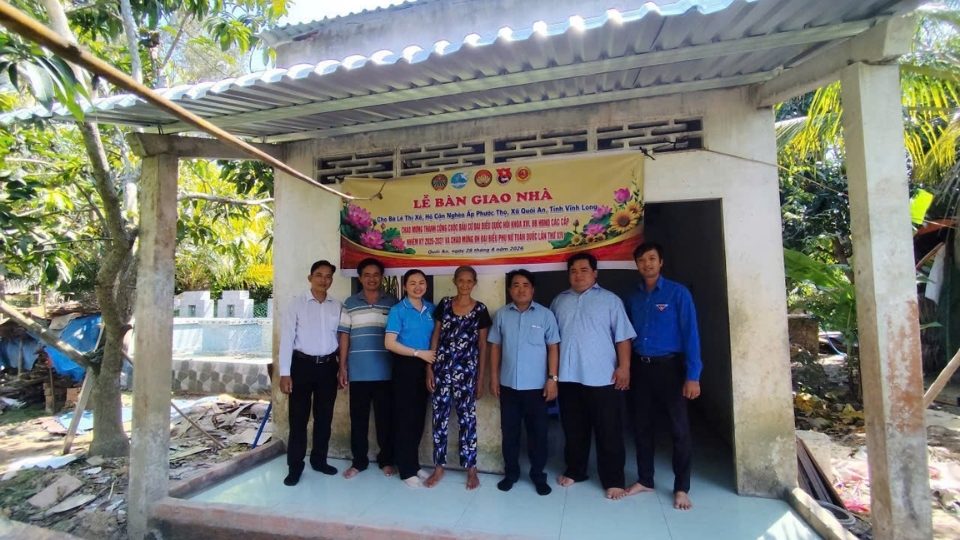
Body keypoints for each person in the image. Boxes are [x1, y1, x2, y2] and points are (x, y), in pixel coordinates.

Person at [550, 252, 636, 500]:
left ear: (595, 273)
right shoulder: (559, 301)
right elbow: (552, 342)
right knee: (574, 429)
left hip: (603, 377)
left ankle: (614, 480)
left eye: (584, 270)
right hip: (568, 378)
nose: (578, 275)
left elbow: (623, 337)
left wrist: (625, 367)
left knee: (609, 430)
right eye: (573, 271)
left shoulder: (610, 301)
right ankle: (576, 471)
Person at [623, 242, 702, 510]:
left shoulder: (677, 294)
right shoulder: (632, 297)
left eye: (652, 259)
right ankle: (645, 479)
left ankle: (682, 487)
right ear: (636, 265)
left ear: (661, 262)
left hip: (671, 368)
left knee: (679, 430)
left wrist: (693, 375)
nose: (647, 264)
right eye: (642, 260)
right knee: (642, 426)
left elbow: (691, 335)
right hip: (640, 368)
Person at [488, 269, 560, 496]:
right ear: (510, 290)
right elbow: (495, 347)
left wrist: (552, 379)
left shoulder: (546, 315)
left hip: (537, 388)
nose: (521, 289)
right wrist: (494, 377)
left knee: (538, 434)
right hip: (508, 386)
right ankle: (511, 474)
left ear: (533, 289)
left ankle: (538, 476)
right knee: (509, 433)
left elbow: (553, 348)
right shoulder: (501, 315)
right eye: (516, 285)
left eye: (525, 285)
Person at [424, 265, 491, 490]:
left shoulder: (480, 310)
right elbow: (436, 336)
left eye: (469, 281)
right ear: (454, 281)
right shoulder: (444, 304)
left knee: (467, 421)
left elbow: (482, 345)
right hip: (442, 371)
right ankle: (439, 467)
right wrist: (429, 368)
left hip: (467, 374)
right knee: (439, 420)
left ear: (474, 283)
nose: (464, 285)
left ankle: (471, 469)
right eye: (460, 280)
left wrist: (480, 379)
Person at [278, 260, 342, 486]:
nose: (323, 280)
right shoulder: (296, 304)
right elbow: (286, 339)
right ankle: (295, 467)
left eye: (328, 276)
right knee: (298, 419)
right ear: (310, 278)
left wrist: (341, 368)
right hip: (301, 366)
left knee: (324, 418)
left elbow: (341, 339)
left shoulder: (337, 305)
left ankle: (319, 460)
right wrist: (285, 373)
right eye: (319, 275)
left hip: (327, 367)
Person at [337, 257, 398, 479]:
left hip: (385, 372)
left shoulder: (392, 303)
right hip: (358, 372)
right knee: (359, 421)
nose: (372, 279)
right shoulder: (350, 303)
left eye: (376, 275)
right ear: (360, 278)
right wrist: (342, 366)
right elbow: (344, 335)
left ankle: (386, 461)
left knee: (385, 421)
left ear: (382, 277)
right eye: (367, 275)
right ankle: (359, 462)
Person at [384, 269, 436, 488]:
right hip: (405, 366)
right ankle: (406, 470)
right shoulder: (398, 310)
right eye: (412, 283)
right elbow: (389, 343)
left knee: (418, 418)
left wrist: (426, 358)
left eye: (421, 282)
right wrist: (417, 353)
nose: (417, 287)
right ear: (405, 286)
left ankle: (413, 465)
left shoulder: (432, 309)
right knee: (405, 419)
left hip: (426, 366)